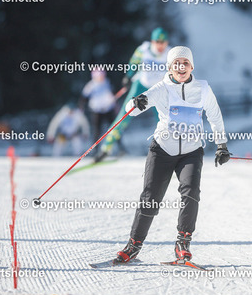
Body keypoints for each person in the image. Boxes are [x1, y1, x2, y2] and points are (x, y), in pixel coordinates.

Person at [114, 46, 231, 264]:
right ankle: (134, 245)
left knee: (191, 193)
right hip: (162, 150)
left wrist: (221, 145)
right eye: (176, 64)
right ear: (169, 68)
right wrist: (135, 103)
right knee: (150, 198)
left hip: (191, 151)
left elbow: (215, 116)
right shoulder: (162, 88)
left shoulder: (203, 89)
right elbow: (134, 108)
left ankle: (182, 244)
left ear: (192, 66)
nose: (181, 67)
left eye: (185, 63)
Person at [95, 27, 171, 162]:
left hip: (157, 90)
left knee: (164, 120)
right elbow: (133, 63)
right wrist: (128, 77)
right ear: (152, 41)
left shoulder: (170, 53)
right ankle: (106, 149)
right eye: (157, 42)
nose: (160, 45)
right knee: (124, 116)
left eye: (163, 42)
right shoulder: (143, 49)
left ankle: (168, 152)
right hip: (140, 86)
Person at [81, 69, 117, 142]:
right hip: (97, 110)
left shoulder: (107, 82)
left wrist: (115, 105)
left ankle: (120, 145)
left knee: (114, 127)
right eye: (100, 76)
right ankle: (95, 147)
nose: (102, 78)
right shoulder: (91, 85)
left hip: (108, 109)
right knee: (97, 130)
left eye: (103, 76)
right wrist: (81, 107)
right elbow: (84, 97)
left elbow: (112, 94)